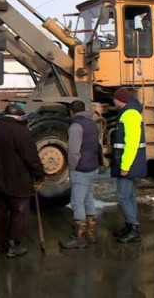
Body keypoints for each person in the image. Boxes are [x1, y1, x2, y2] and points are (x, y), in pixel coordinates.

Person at [0, 103, 46, 258]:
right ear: (19, 116)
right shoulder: (21, 132)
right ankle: (13, 244)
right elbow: (31, 157)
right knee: (19, 212)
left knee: (0, 212)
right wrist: (39, 175)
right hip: (17, 180)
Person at [59, 100, 101, 249]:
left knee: (77, 202)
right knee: (89, 199)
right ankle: (90, 234)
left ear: (72, 111)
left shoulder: (76, 126)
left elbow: (74, 152)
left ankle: (78, 237)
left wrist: (72, 168)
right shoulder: (92, 123)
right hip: (93, 167)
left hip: (81, 169)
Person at [111, 87, 147, 243]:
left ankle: (133, 228)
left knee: (123, 196)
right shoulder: (130, 112)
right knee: (130, 195)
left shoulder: (130, 114)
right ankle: (130, 225)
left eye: (115, 99)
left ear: (121, 100)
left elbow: (131, 143)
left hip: (128, 162)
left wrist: (125, 166)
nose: (113, 101)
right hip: (129, 161)